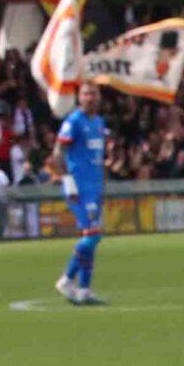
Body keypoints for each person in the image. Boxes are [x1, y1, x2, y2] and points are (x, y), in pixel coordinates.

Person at [47, 83, 108, 304]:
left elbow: (99, 157)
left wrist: (102, 184)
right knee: (93, 235)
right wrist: (67, 179)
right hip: (79, 186)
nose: (90, 97)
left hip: (94, 186)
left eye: (93, 93)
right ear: (79, 98)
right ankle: (66, 278)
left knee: (90, 237)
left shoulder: (100, 123)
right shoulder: (73, 122)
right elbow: (58, 152)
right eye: (86, 94)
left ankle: (84, 289)